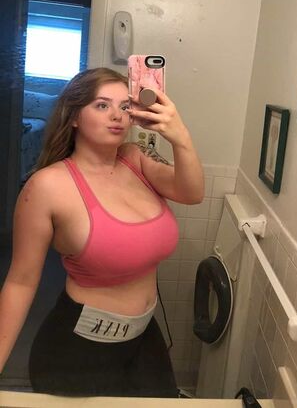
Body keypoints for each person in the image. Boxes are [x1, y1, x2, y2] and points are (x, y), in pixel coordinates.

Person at [0, 67, 204, 397]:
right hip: (78, 348)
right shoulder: (47, 186)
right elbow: (20, 282)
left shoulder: (135, 159)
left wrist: (180, 137)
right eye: (101, 105)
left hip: (143, 336)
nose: (117, 116)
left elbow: (191, 192)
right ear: (74, 116)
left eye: (125, 106)